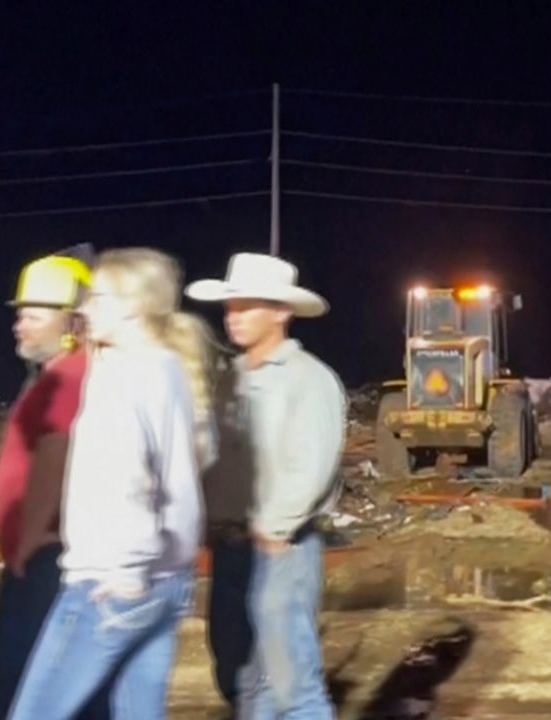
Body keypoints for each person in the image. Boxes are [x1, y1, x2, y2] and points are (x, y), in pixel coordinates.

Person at [7, 248, 215, 719]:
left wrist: (125, 570)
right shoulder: (170, 368)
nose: (85, 310)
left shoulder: (119, 375)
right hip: (169, 581)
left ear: (131, 306)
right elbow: (194, 460)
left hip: (111, 582)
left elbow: (131, 476)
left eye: (96, 298)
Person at [187, 252, 346, 718]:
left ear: (282, 311)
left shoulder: (308, 379)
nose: (233, 317)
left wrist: (275, 528)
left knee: (290, 683)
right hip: (231, 548)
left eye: (247, 306)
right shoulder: (228, 381)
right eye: (231, 306)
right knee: (238, 673)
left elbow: (312, 464)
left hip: (282, 550)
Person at [0, 252, 109, 720]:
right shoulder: (53, 374)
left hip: (44, 564)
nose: (20, 324)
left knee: (19, 689)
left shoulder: (69, 376)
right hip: (39, 558)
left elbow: (56, 459)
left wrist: (29, 537)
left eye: (34, 315)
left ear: (72, 320)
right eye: (19, 313)